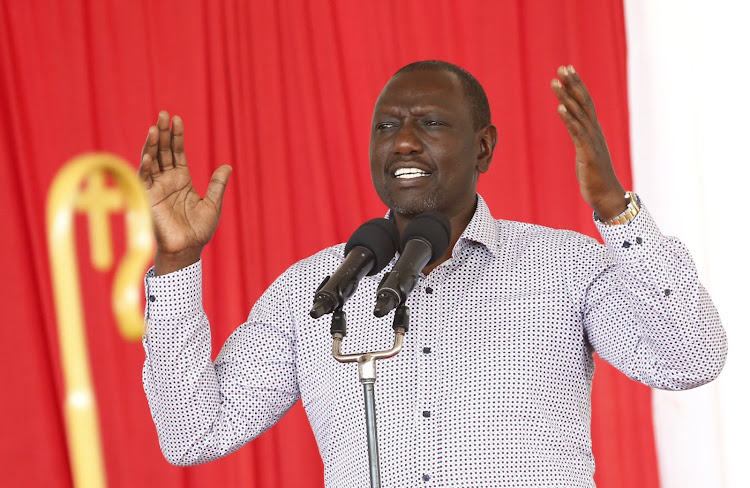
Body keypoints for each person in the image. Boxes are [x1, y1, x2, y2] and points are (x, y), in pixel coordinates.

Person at [139, 61, 727, 487]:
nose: (405, 143)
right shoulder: (314, 290)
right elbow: (195, 431)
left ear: (484, 148)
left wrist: (614, 209)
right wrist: (176, 262)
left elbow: (691, 358)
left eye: (431, 124)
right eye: (387, 127)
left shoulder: (564, 267)